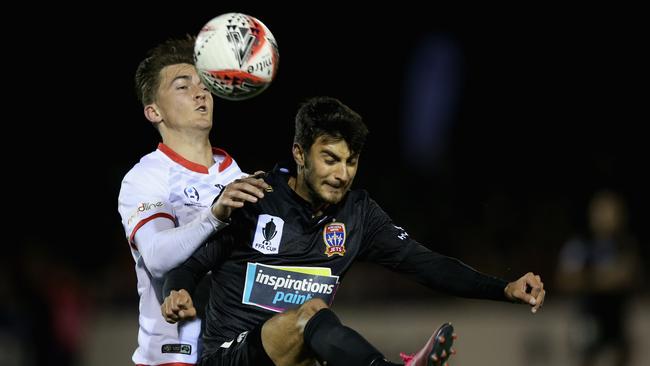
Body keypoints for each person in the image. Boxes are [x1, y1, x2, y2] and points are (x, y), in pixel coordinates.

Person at [161, 97, 546, 366]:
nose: (341, 173)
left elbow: (426, 264)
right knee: (310, 313)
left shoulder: (357, 214)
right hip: (231, 357)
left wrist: (504, 288)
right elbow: (191, 264)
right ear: (299, 153)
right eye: (329, 159)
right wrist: (175, 290)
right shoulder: (254, 200)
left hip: (300, 361)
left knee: (318, 333)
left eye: (351, 161)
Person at [118, 36, 269, 365]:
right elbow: (157, 256)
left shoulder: (237, 176)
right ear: (153, 111)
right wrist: (215, 214)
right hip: (174, 353)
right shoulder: (147, 177)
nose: (201, 93)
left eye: (205, 85)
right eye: (183, 86)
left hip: (235, 349)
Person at [556, 190, 641, 366]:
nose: (606, 217)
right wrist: (604, 278)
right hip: (589, 316)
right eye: (601, 211)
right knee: (587, 355)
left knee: (620, 356)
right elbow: (566, 279)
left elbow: (628, 275)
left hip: (616, 318)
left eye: (611, 211)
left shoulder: (625, 245)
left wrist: (589, 279)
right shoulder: (581, 245)